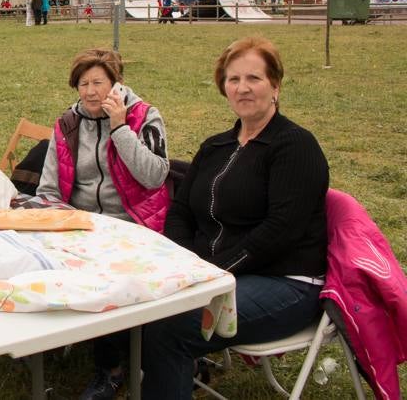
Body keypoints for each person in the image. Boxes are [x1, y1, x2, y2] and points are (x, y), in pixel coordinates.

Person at [141, 37, 329, 398]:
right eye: (233, 79)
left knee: (169, 326)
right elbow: (181, 210)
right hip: (216, 273)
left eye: (254, 79)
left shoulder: (294, 146)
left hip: (286, 282)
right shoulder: (216, 146)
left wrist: (210, 273)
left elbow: (280, 232)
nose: (243, 88)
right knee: (141, 304)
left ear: (275, 85)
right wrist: (185, 263)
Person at [36, 48, 170, 399]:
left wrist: (121, 128)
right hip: (82, 223)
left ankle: (110, 369)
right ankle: (46, 339)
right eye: (83, 83)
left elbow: (155, 176)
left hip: (132, 223)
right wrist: (60, 221)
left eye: (99, 82)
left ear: (116, 85)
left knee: (105, 274)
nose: (91, 91)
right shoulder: (67, 123)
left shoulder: (145, 116)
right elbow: (48, 188)